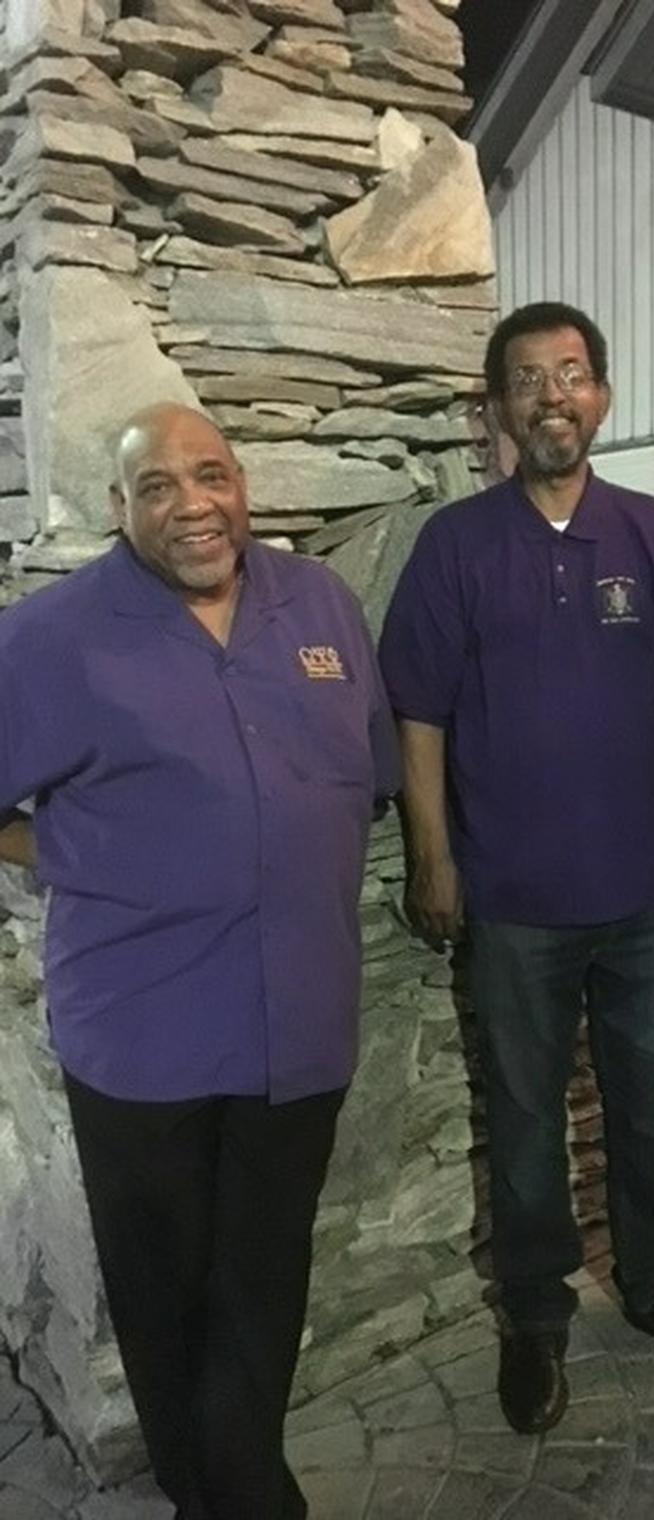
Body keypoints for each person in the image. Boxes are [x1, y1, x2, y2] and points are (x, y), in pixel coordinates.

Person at [0, 404, 400, 1520]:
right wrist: (75, 849)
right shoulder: (50, 637)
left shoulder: (319, 605)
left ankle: (239, 1476)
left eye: (210, 475)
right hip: (145, 1036)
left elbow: (365, 769)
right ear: (119, 508)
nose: (193, 505)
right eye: (157, 486)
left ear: (242, 484)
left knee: (265, 1277)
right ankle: (218, 1491)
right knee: (164, 1290)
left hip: (299, 1022)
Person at [379, 301, 654, 1436]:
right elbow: (418, 712)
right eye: (529, 378)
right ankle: (536, 1312)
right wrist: (434, 856)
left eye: (572, 374)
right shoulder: (456, 546)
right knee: (528, 1116)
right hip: (513, 899)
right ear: (497, 408)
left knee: (648, 1108)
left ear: (603, 397)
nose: (553, 396)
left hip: (641, 894)